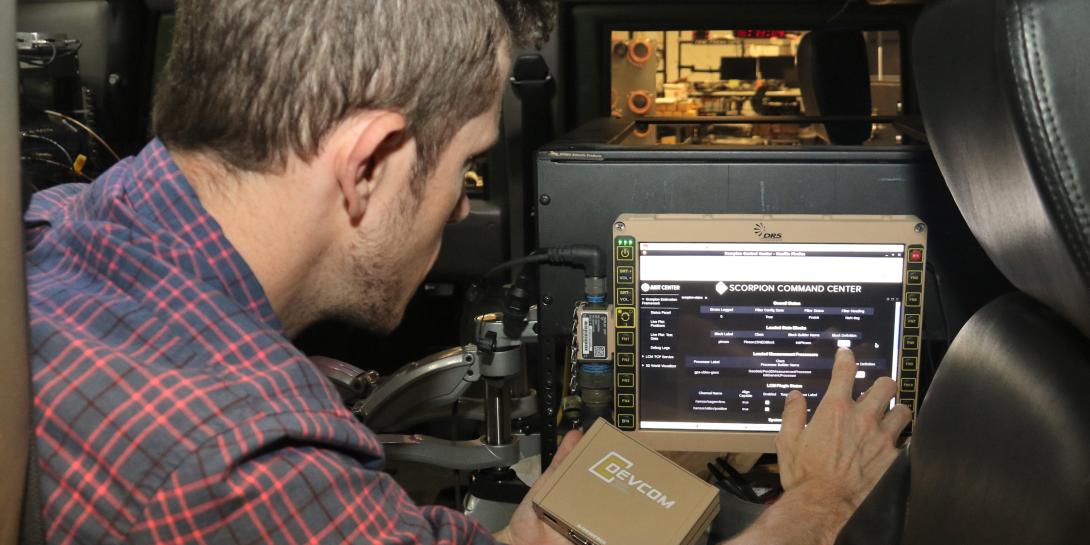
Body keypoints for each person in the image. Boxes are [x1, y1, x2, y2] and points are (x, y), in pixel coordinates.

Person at [24, 1, 910, 544]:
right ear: (369, 161)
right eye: (468, 166)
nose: (459, 206)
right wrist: (821, 505)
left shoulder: (57, 227)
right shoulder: (244, 461)